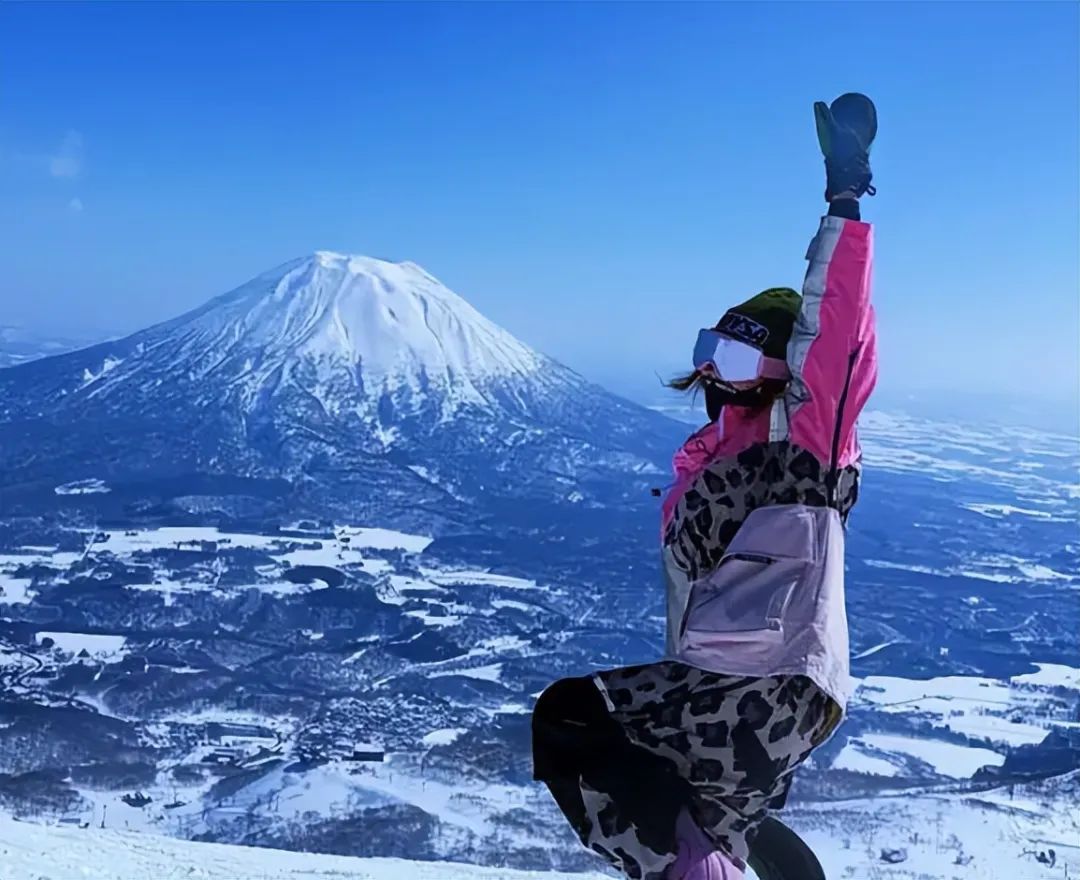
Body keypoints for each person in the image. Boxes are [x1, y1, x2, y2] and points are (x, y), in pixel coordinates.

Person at [532, 94, 880, 880]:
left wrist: (845, 197)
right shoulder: (706, 468)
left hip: (771, 682)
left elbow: (838, 335)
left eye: (737, 360)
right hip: (730, 682)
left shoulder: (806, 455)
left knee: (570, 721)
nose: (714, 378)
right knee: (694, 814)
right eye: (710, 356)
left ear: (781, 370)